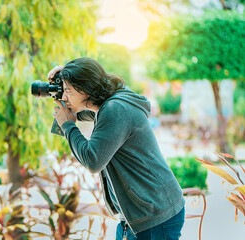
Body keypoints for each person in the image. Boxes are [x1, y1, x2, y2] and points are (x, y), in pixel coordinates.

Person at [48, 57, 185, 240]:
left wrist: (68, 126)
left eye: (68, 91)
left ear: (85, 89)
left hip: (154, 215)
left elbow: (92, 160)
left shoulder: (115, 109)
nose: (64, 97)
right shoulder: (111, 103)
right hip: (139, 214)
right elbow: (84, 115)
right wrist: (65, 76)